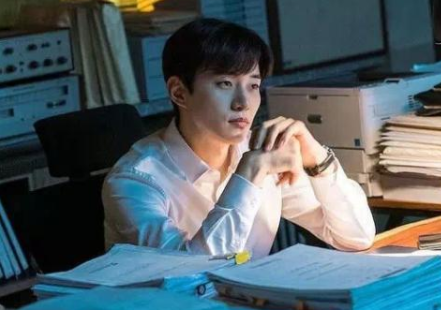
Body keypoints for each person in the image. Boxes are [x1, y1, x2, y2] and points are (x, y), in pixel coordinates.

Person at [102, 18, 375, 259]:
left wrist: (317, 159)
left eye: (253, 85)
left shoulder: (259, 151)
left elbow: (356, 237)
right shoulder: (136, 180)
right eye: (225, 84)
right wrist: (249, 173)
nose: (243, 103)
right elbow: (189, 271)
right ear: (179, 93)